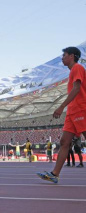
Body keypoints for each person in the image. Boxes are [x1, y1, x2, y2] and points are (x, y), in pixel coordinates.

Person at [37, 47, 86, 183]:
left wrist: (61, 106)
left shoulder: (77, 68)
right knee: (64, 142)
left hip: (81, 109)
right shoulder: (72, 72)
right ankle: (55, 174)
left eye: (64, 55)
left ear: (71, 56)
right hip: (72, 112)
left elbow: (76, 89)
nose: (62, 57)